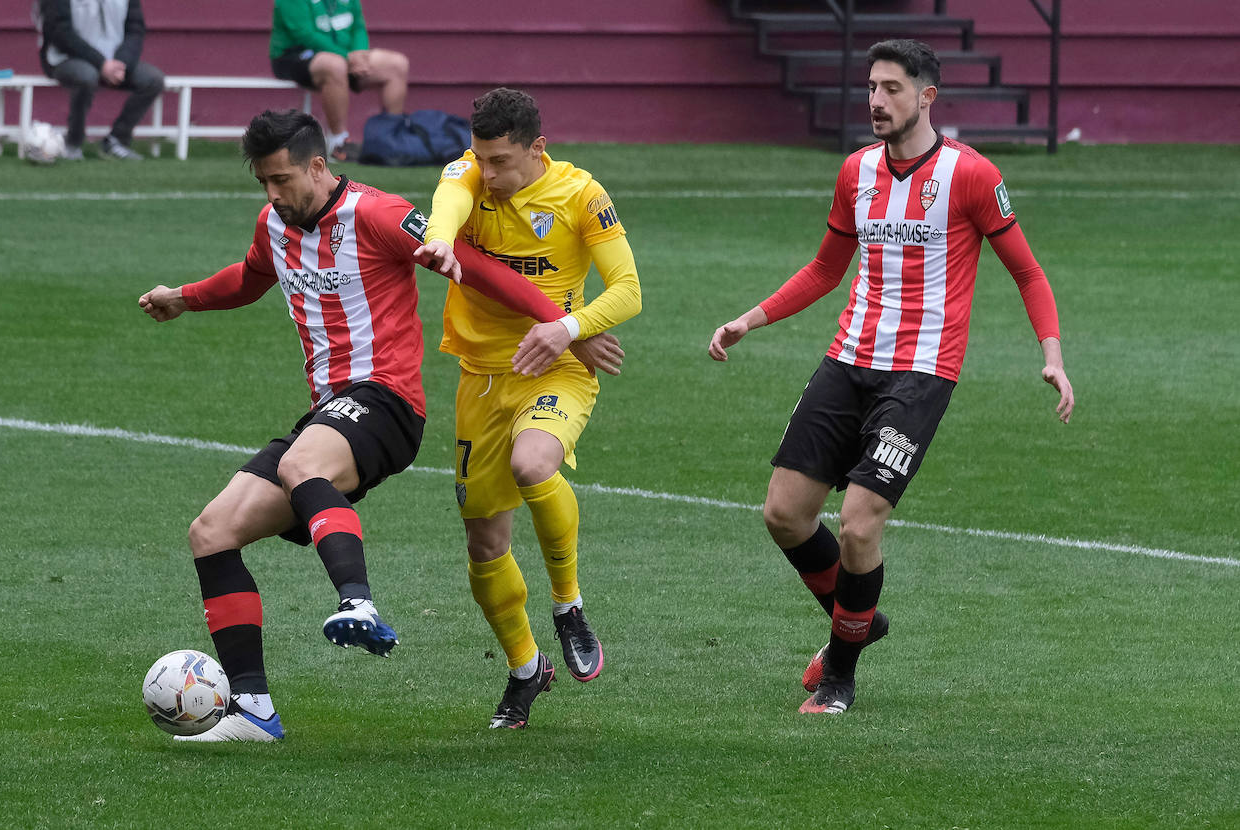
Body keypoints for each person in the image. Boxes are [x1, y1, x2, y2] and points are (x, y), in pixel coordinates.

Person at [137, 109, 580, 742]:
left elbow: (480, 268)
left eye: (282, 179)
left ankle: (358, 601)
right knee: (211, 532)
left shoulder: (376, 214)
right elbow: (250, 278)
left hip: (388, 403)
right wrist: (185, 296)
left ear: (318, 166)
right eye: (262, 181)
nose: (272, 194)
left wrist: (563, 328)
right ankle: (254, 712)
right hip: (327, 413)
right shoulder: (274, 223)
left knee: (301, 466)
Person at [707, 39, 1075, 715]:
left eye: (892, 89)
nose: (876, 101)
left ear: (927, 97)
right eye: (871, 87)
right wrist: (749, 320)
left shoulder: (970, 175)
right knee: (784, 514)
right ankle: (859, 618)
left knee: (857, 525)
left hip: (921, 373)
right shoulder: (855, 172)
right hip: (848, 360)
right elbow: (825, 269)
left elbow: (1027, 270)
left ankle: (841, 672)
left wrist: (1051, 353)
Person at [414, 88, 642, 729]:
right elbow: (450, 200)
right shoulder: (468, 176)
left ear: (537, 149)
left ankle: (568, 603)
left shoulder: (580, 195)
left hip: (556, 368)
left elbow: (628, 290)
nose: (490, 174)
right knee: (485, 544)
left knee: (533, 463)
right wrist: (439, 240)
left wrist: (567, 329)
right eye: (482, 158)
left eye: (502, 161)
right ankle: (525, 670)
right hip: (481, 379)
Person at [269, 0, 408, 163]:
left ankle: (392, 140)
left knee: (397, 64)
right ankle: (339, 142)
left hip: (345, 56)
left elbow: (358, 26)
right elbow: (304, 34)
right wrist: (347, 57)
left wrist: (360, 53)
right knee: (334, 66)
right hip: (295, 56)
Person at [35, 0, 165, 161]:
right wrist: (101, 63)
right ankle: (73, 142)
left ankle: (116, 140)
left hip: (115, 62)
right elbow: (59, 31)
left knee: (153, 80)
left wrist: (122, 62)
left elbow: (135, 29)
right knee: (86, 76)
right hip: (66, 58)